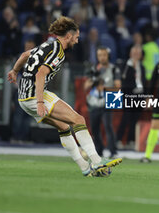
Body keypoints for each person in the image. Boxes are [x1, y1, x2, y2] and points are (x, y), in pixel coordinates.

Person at [7, 16, 122, 177]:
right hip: (35, 96)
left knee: (64, 127)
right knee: (79, 120)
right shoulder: (58, 51)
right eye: (76, 37)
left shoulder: (48, 44)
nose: (77, 40)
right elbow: (40, 74)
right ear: (68, 36)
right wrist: (40, 102)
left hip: (23, 99)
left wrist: (14, 70)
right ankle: (97, 161)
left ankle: (85, 167)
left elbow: (25, 54)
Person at [85, 46, 121, 158]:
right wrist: (94, 79)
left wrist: (104, 88)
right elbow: (86, 86)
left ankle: (113, 151)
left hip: (108, 99)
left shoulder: (114, 69)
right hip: (95, 101)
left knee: (108, 126)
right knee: (95, 128)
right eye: (99, 55)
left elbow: (118, 86)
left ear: (108, 56)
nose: (102, 57)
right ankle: (99, 151)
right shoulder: (94, 69)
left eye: (104, 55)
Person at [116, 45, 146, 150]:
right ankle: (118, 140)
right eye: (134, 52)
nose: (136, 54)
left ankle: (131, 141)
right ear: (130, 53)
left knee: (135, 120)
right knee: (126, 118)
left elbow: (144, 82)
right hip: (128, 96)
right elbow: (122, 81)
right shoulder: (125, 65)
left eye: (138, 52)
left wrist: (146, 97)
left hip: (139, 96)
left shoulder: (142, 67)